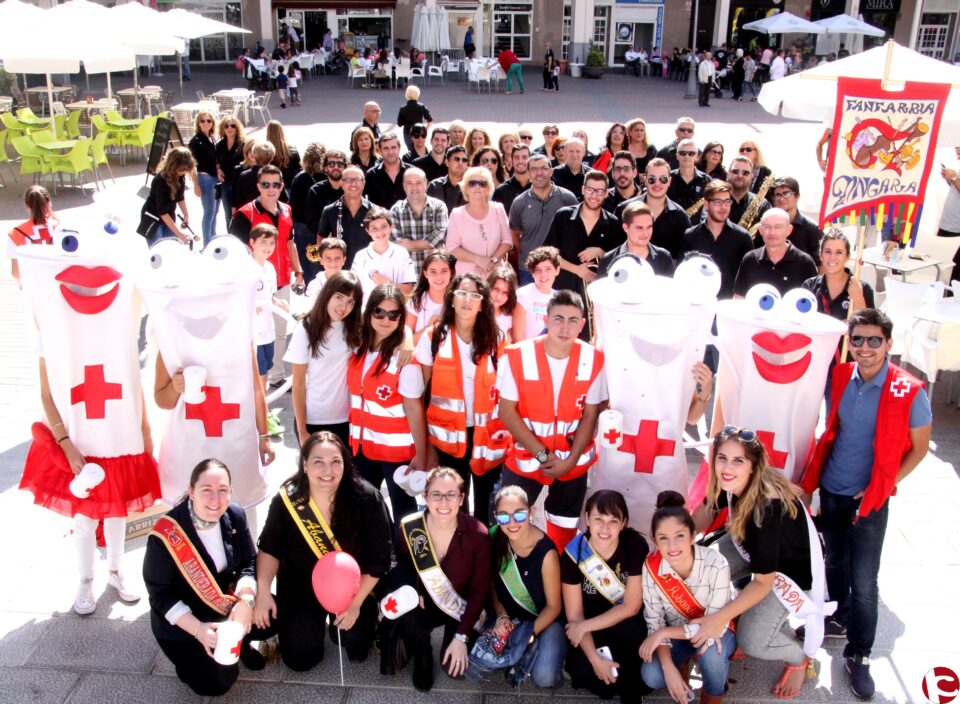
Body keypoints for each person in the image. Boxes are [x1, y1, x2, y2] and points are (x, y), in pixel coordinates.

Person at [800, 309, 931, 699]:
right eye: (857, 339)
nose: (865, 347)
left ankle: (860, 654)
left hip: (869, 500)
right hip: (833, 488)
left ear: (889, 344)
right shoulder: (841, 375)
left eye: (874, 340)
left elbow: (920, 449)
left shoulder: (909, 390)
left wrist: (883, 485)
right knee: (833, 561)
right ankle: (838, 617)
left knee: (866, 581)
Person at [693, 427, 828, 700]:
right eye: (722, 458)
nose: (727, 467)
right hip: (751, 548)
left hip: (785, 575)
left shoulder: (766, 509)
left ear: (753, 466)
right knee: (700, 568)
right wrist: (677, 542)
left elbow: (763, 582)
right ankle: (744, 617)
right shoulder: (729, 479)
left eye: (738, 460)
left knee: (752, 640)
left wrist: (716, 620)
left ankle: (798, 658)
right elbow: (708, 508)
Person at [255, 432, 392, 668]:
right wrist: (264, 591)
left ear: (345, 464)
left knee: (355, 645)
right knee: (300, 659)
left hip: (351, 590)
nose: (327, 471)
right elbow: (269, 547)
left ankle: (367, 621)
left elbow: (380, 558)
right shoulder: (288, 500)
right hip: (301, 587)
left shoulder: (367, 497)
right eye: (318, 462)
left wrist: (355, 604)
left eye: (335, 462)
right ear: (305, 465)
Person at [143, 460, 270, 696]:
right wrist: (199, 630)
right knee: (217, 684)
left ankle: (239, 644)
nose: (216, 499)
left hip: (225, 603)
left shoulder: (235, 514)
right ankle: (189, 661)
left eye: (223, 490)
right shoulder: (165, 534)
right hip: (187, 619)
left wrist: (246, 601)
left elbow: (249, 563)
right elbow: (160, 594)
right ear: (191, 491)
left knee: (275, 614)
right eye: (206, 490)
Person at [498, 289, 606, 549]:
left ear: (582, 325)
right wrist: (544, 456)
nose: (565, 327)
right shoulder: (518, 355)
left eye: (572, 320)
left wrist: (568, 462)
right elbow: (507, 412)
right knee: (511, 526)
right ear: (545, 320)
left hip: (573, 462)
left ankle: (558, 580)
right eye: (558, 318)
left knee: (564, 529)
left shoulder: (593, 359)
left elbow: (591, 414)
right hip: (526, 459)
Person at [385, 467, 492, 691]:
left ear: (461, 498)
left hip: (460, 606)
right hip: (425, 601)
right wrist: (412, 589)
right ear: (426, 496)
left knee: (456, 669)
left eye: (451, 494)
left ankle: (454, 637)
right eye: (436, 494)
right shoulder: (411, 527)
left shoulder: (478, 534)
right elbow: (400, 565)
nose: (444, 502)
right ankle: (422, 653)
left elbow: (480, 591)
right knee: (407, 610)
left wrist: (461, 636)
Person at [418, 273, 506, 521]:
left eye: (475, 295)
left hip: (487, 439)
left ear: (483, 303)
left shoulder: (497, 339)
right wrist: (426, 445)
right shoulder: (434, 337)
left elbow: (509, 392)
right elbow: (422, 392)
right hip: (446, 440)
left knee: (486, 509)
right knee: (455, 506)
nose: (468, 300)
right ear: (452, 299)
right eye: (462, 293)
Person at [639, 491, 734, 704]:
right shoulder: (651, 567)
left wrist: (663, 632)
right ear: (655, 540)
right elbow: (655, 622)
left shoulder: (716, 563)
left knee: (712, 654)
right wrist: (667, 666)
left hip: (715, 630)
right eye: (664, 538)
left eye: (679, 536)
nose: (672, 547)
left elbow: (713, 624)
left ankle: (712, 696)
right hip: (676, 635)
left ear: (692, 535)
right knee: (652, 675)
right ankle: (680, 664)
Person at [467, 485, 565, 689]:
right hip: (508, 617)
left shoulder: (547, 553)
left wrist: (527, 635)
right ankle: (521, 653)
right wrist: (501, 615)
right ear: (496, 516)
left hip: (543, 620)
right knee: (477, 656)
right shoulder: (494, 536)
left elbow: (554, 607)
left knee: (545, 678)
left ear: (531, 512)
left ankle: (546, 651)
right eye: (504, 516)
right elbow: (490, 582)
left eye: (519, 515)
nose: (511, 523)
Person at [561, 490, 650, 704]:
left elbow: (631, 607)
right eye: (598, 519)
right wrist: (594, 659)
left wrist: (582, 627)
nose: (605, 528)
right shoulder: (573, 553)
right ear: (587, 520)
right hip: (591, 629)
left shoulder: (634, 545)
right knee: (597, 682)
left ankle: (629, 687)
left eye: (613, 520)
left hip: (624, 624)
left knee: (642, 680)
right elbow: (575, 616)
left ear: (623, 523)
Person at [349, 284, 428, 522]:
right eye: (379, 312)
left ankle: (410, 559)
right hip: (361, 448)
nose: (386, 319)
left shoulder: (405, 358)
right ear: (369, 312)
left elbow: (414, 408)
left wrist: (422, 454)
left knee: (405, 515)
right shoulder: (357, 346)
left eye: (394, 314)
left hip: (396, 453)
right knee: (364, 510)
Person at [286, 272, 363, 449]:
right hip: (314, 419)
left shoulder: (355, 327)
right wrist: (302, 430)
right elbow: (297, 384)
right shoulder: (306, 328)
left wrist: (407, 339)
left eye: (351, 301)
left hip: (347, 419)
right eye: (339, 297)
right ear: (327, 294)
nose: (344, 306)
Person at [545, 170, 623, 298]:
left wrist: (600, 252)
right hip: (563, 289)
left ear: (606, 194)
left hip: (598, 293)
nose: (594, 195)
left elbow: (618, 260)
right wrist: (576, 269)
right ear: (582, 190)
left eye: (599, 191)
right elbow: (548, 253)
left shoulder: (613, 223)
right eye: (590, 190)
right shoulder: (563, 216)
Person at [509, 153, 579, 285]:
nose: (539, 173)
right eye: (534, 169)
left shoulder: (567, 198)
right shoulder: (519, 203)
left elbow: (576, 231)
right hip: (529, 268)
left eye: (543, 168)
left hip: (559, 268)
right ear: (528, 173)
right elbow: (515, 233)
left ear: (551, 171)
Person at [682, 180, 753, 299]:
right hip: (697, 305)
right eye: (718, 202)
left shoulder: (743, 238)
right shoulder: (690, 236)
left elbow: (749, 279)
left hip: (728, 308)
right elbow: (683, 274)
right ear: (706, 204)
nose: (723, 207)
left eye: (727, 202)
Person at [615, 158, 691, 260]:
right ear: (645, 180)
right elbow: (613, 248)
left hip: (664, 273)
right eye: (652, 179)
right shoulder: (623, 209)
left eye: (663, 179)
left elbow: (684, 255)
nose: (657, 184)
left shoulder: (680, 216)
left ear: (669, 181)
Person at [733, 208, 817, 298]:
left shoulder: (804, 262)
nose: (772, 232)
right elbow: (739, 297)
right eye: (767, 227)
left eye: (778, 227)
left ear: (789, 230)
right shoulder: (750, 259)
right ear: (761, 230)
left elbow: (810, 302)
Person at [446, 166, 512, 277]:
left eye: (482, 183)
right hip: (467, 278)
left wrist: (493, 261)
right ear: (466, 188)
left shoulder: (498, 209)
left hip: (495, 275)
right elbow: (452, 247)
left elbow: (507, 242)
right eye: (472, 183)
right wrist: (478, 260)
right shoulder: (457, 214)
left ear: (488, 188)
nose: (477, 187)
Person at [802, 229, 874, 324]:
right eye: (828, 251)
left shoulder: (862, 288)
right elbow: (800, 321)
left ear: (847, 256)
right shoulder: (810, 286)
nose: (832, 257)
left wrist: (858, 300)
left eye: (839, 252)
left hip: (846, 339)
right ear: (820, 255)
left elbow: (870, 329)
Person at [390, 168, 449, 275]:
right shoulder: (395, 211)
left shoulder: (439, 207)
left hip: (435, 275)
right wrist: (430, 245)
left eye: (418, 183)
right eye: (409, 183)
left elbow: (439, 235)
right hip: (406, 274)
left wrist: (410, 245)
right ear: (403, 186)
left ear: (426, 183)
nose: (414, 187)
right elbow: (399, 246)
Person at [351, 207, 417, 301]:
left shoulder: (402, 253)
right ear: (368, 231)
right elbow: (354, 290)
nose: (380, 232)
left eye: (384, 226)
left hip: (395, 311)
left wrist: (387, 283)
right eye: (374, 228)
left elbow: (408, 290)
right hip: (367, 312)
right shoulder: (360, 256)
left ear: (391, 227)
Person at [599, 201, 674, 277]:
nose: (645, 234)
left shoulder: (664, 257)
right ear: (625, 228)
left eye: (649, 227)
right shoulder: (608, 260)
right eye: (639, 228)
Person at [250, 224, 282, 400]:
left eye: (271, 242)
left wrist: (279, 303)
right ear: (252, 243)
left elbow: (270, 296)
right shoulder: (245, 269)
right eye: (263, 242)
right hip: (252, 334)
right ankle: (261, 413)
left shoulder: (269, 268)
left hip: (268, 331)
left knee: (266, 370)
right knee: (259, 374)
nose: (267, 247)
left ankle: (262, 410)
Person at [138, 147, 196, 245]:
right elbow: (162, 212)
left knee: (171, 246)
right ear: (172, 166)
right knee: (158, 249)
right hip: (153, 218)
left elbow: (180, 197)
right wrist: (180, 234)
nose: (184, 173)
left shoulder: (180, 177)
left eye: (186, 170)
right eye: (181, 169)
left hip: (168, 216)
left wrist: (186, 215)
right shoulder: (160, 181)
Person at [318, 165, 372, 267]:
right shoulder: (329, 211)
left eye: (358, 179)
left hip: (368, 269)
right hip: (340, 270)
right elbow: (321, 239)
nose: (353, 183)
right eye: (348, 180)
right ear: (341, 184)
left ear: (364, 184)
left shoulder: (374, 211)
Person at [289, 142, 327, 285]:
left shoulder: (300, 178)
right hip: (321, 226)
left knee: (307, 262)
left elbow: (293, 204)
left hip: (303, 226)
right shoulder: (326, 177)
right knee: (322, 261)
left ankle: (310, 287)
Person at [765, 177, 823, 267]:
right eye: (777, 195)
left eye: (786, 194)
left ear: (797, 197)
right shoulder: (766, 227)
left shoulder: (812, 229)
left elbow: (821, 264)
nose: (781, 198)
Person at [7, 185, 56, 282]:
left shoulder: (15, 233)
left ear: (26, 205)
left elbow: (16, 273)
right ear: (49, 203)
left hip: (32, 287)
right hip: (56, 285)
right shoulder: (59, 227)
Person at [512, 246, 560, 342]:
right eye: (538, 270)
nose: (543, 275)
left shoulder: (560, 298)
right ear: (532, 273)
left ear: (557, 270)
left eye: (548, 269)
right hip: (528, 351)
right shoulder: (523, 295)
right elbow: (518, 338)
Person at [188, 111, 221, 245]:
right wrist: (195, 185)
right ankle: (207, 244)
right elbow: (191, 166)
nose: (206, 123)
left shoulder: (212, 139)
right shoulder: (195, 141)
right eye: (202, 121)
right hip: (205, 179)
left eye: (208, 121)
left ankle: (212, 239)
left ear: (213, 123)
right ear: (198, 124)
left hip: (216, 179)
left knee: (215, 212)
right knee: (209, 213)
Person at [406, 250, 453, 340]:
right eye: (433, 272)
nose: (438, 277)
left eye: (444, 271)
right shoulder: (417, 301)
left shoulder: (458, 300)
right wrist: (429, 327)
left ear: (450, 272)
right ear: (425, 273)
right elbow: (408, 343)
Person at [215, 117, 246, 232]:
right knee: (228, 215)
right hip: (225, 183)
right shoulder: (220, 145)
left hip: (239, 184)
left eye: (232, 126)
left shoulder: (243, 144)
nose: (229, 128)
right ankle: (231, 237)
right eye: (226, 126)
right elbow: (217, 160)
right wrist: (218, 169)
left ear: (237, 128)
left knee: (241, 213)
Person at [726, 155, 770, 231]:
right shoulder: (715, 200)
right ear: (728, 174)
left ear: (751, 177)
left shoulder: (762, 205)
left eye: (745, 173)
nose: (740, 176)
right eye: (735, 171)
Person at [365, 133, 408, 209]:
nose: (390, 152)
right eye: (386, 148)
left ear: (399, 148)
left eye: (393, 147)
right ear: (380, 151)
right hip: (381, 219)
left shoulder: (412, 172)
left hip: (407, 219)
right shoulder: (371, 175)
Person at [667, 138, 710, 213]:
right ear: (677, 156)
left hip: (698, 224)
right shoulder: (666, 178)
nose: (687, 156)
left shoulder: (707, 181)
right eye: (683, 153)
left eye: (691, 153)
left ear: (697, 156)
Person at [936, 146, 960, 281]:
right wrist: (949, 179)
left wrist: (955, 177)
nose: (956, 150)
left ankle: (951, 298)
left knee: (953, 271)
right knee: (940, 264)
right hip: (947, 223)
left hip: (956, 228)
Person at [427, 145, 469, 212]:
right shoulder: (434, 186)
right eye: (456, 159)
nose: (460, 163)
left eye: (464, 160)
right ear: (447, 162)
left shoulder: (472, 186)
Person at [265, 121, 302, 196]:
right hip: (291, 186)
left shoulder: (265, 151)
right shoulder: (292, 150)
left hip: (273, 187)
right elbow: (299, 169)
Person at [494, 144, 531, 216]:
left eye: (524, 157)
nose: (521, 161)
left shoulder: (538, 188)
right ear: (512, 160)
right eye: (517, 158)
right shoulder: (501, 191)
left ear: (530, 159)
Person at [396, 85, 434, 153]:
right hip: (419, 132)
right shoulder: (421, 106)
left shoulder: (403, 108)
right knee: (420, 150)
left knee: (410, 151)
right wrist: (425, 129)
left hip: (407, 133)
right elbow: (430, 120)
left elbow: (399, 124)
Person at [488, 267, 519, 340]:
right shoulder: (476, 312)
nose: (499, 296)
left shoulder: (508, 318)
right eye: (496, 289)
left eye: (505, 292)